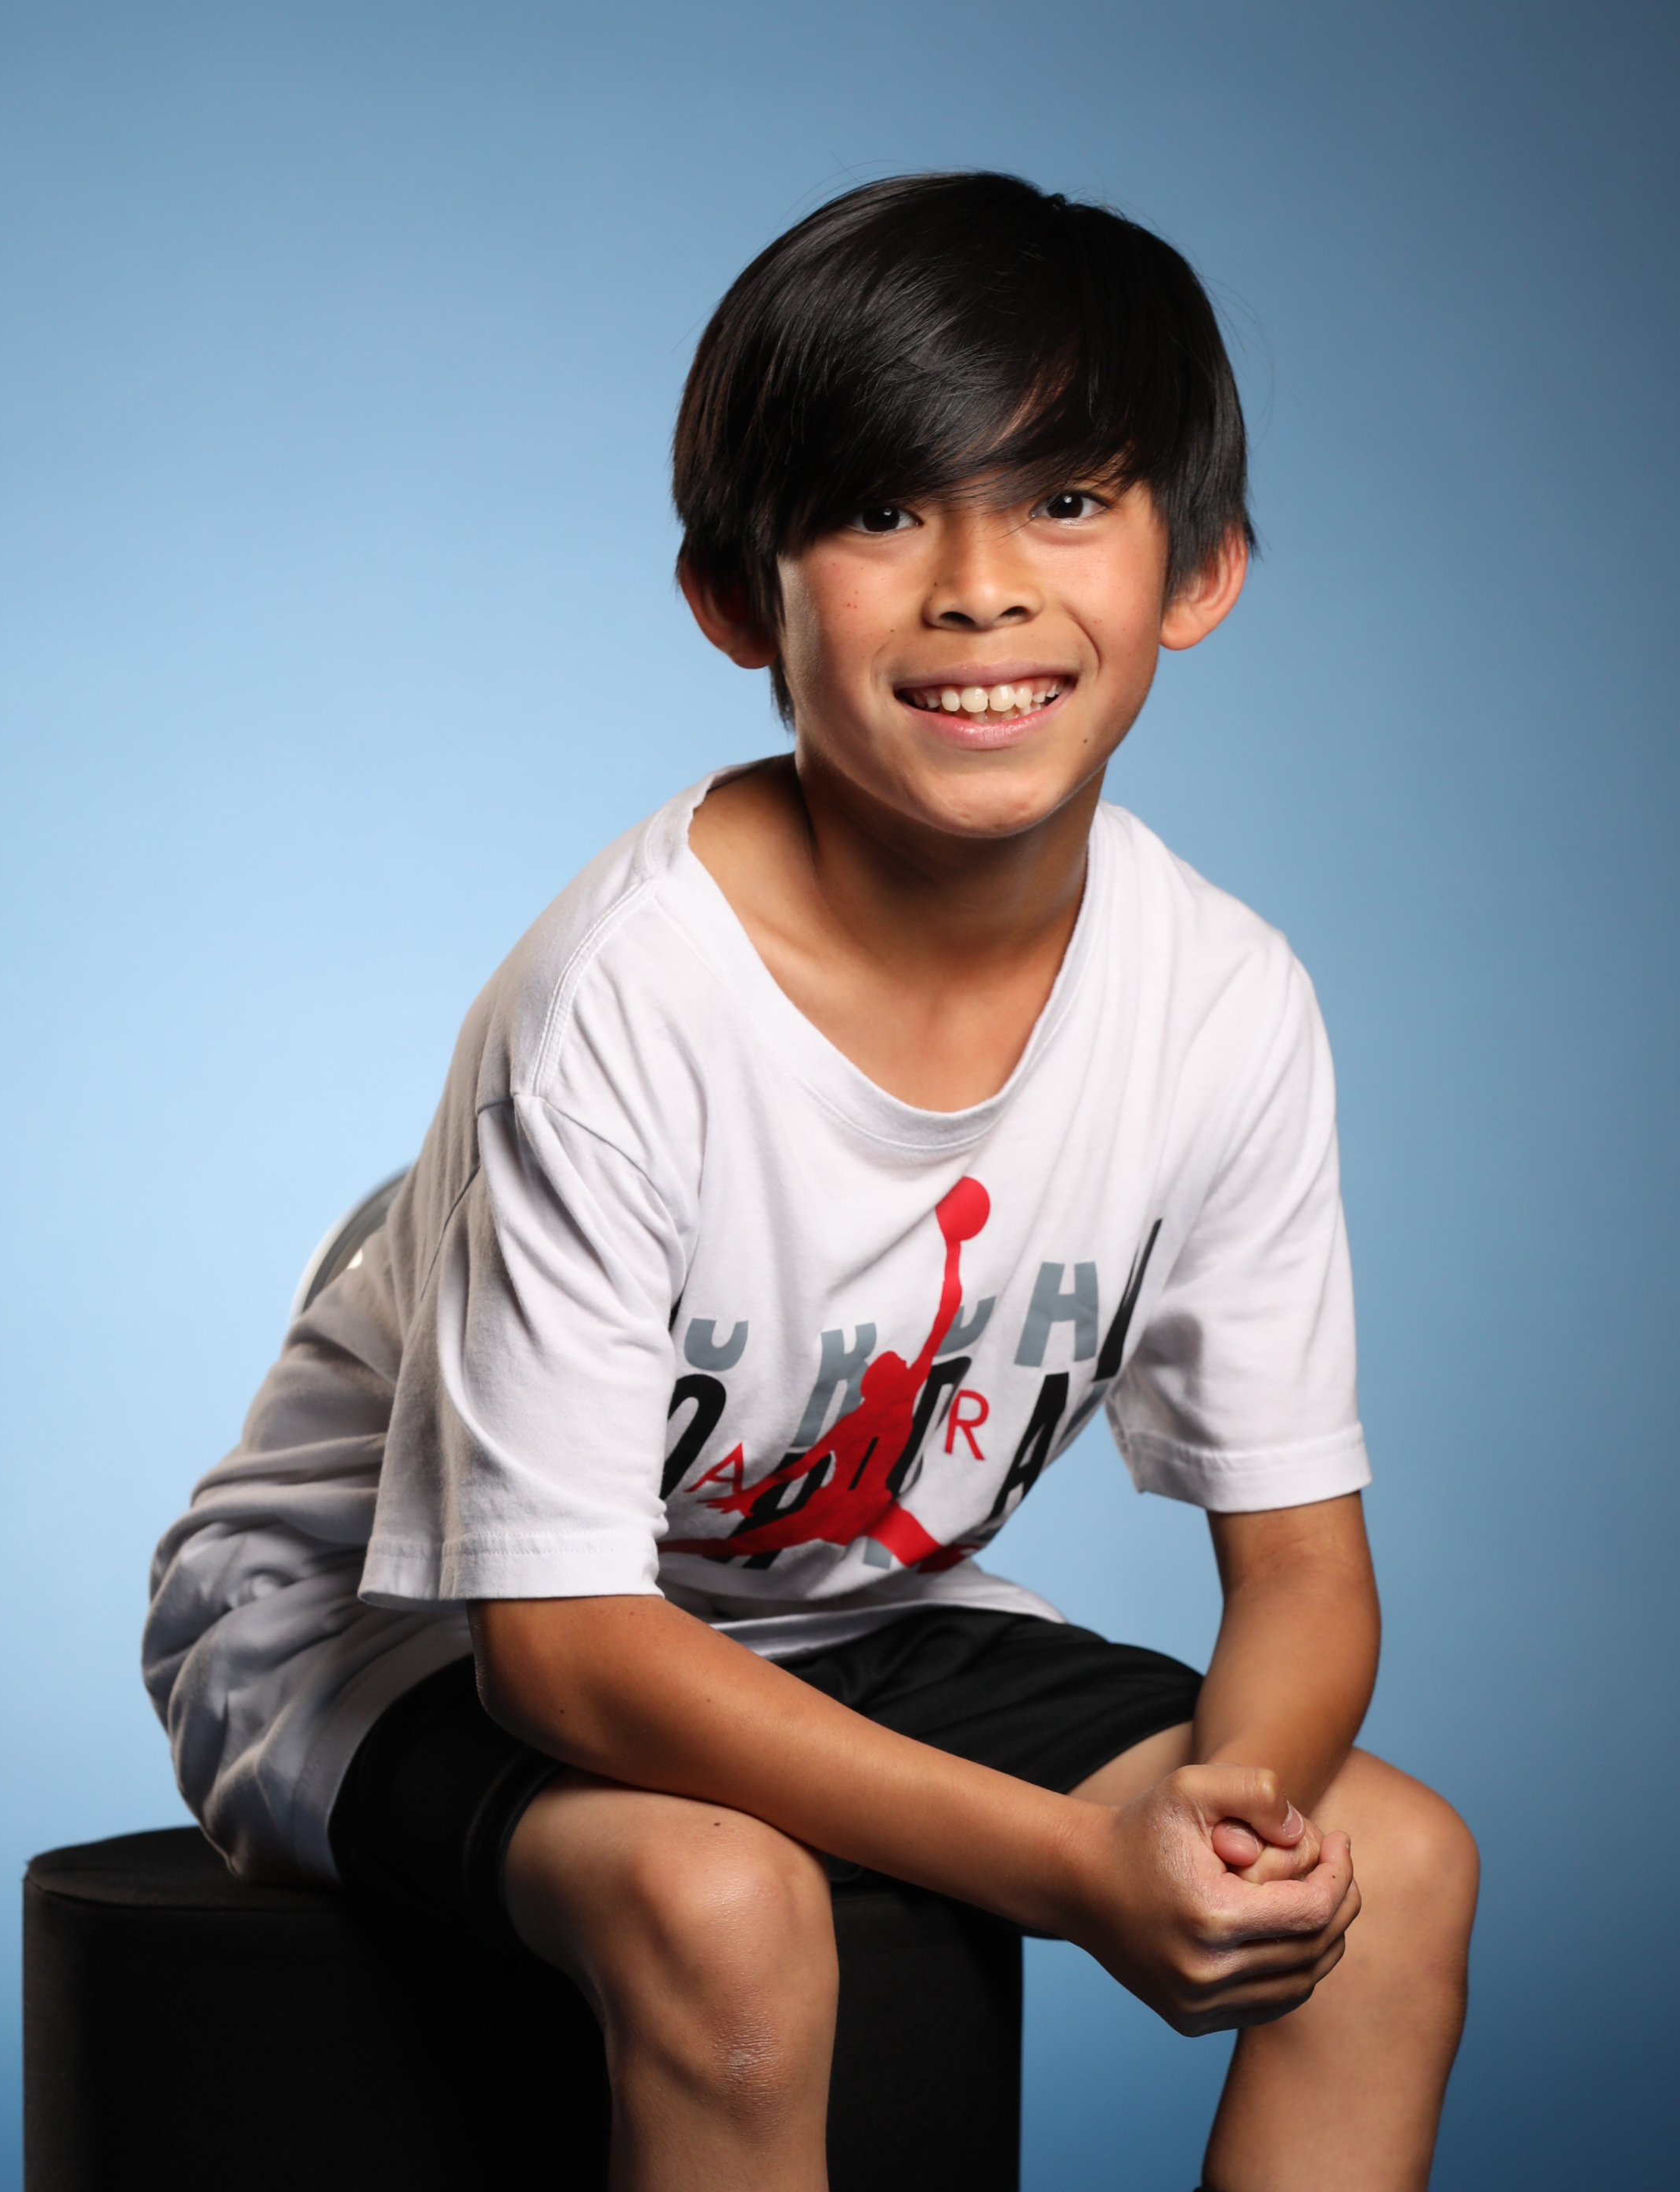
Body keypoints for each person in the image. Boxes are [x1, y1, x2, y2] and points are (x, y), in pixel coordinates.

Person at [145, 171, 1477, 2192]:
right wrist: (1071, 1867)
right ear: (733, 596)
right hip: (394, 1622)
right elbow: (561, 1651)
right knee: (728, 1912)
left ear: (1200, 567)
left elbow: (1301, 1571)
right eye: (879, 513)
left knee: (1393, 1869)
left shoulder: (1223, 1001)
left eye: (1066, 501)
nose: (981, 589)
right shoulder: (621, 1000)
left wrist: (1234, 1822)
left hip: (836, 1608)